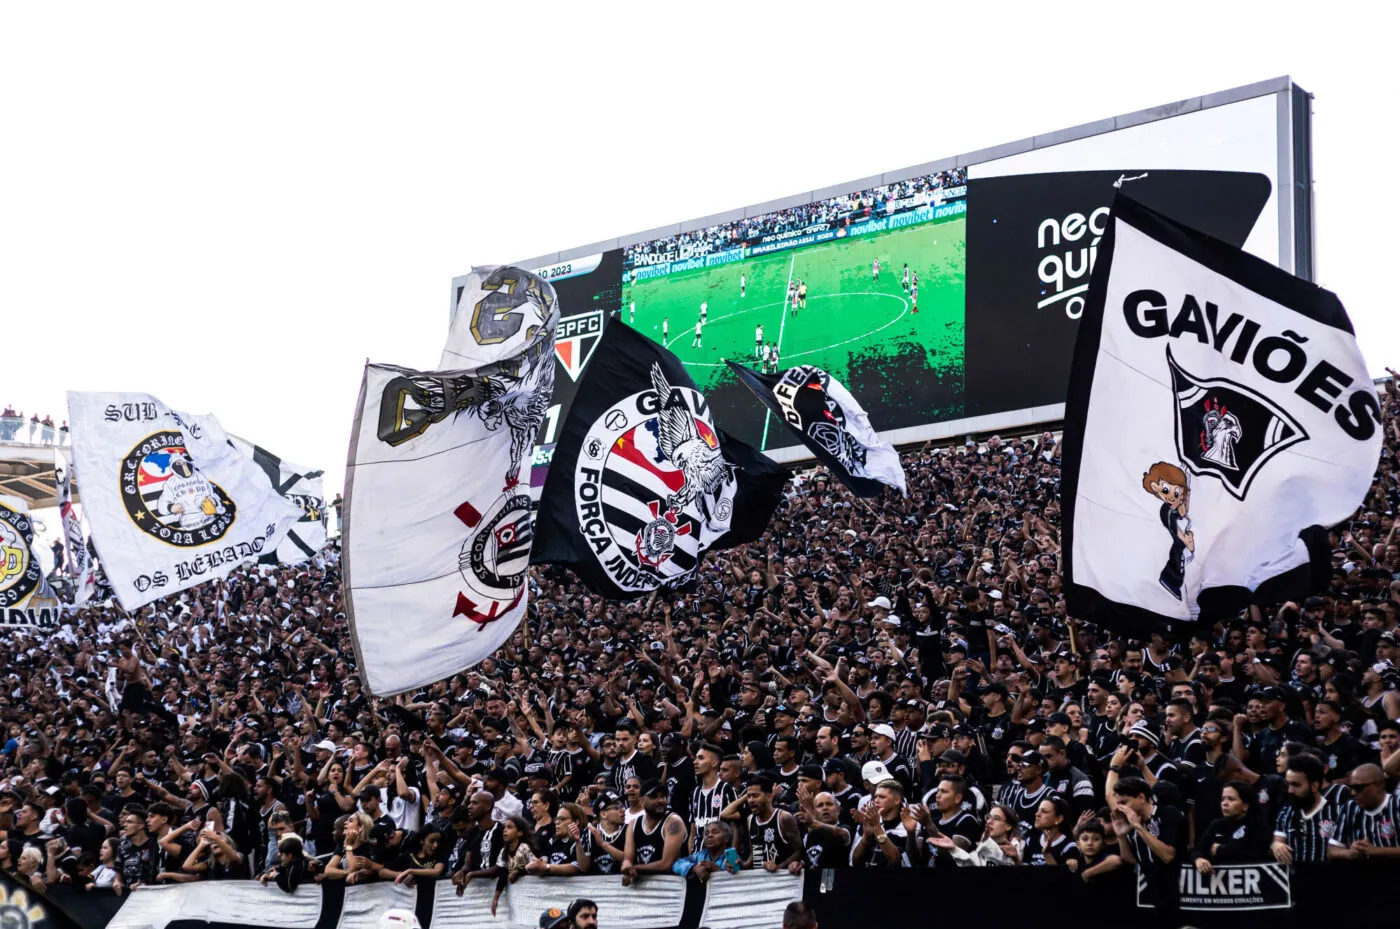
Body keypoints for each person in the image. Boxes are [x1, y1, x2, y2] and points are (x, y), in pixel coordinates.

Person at [620, 779, 685, 885]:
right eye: (654, 796)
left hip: (671, 889)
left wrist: (634, 868)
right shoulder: (633, 824)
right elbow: (628, 858)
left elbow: (666, 864)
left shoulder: (674, 822)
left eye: (663, 796)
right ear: (641, 801)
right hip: (642, 889)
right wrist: (626, 865)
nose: (661, 801)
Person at [1194, 780, 1269, 871]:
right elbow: (1198, 849)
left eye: (1231, 799)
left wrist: (1220, 850)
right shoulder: (1217, 824)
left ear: (1245, 805)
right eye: (1223, 799)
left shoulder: (1257, 825)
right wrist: (1198, 859)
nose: (1224, 803)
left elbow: (1258, 857)